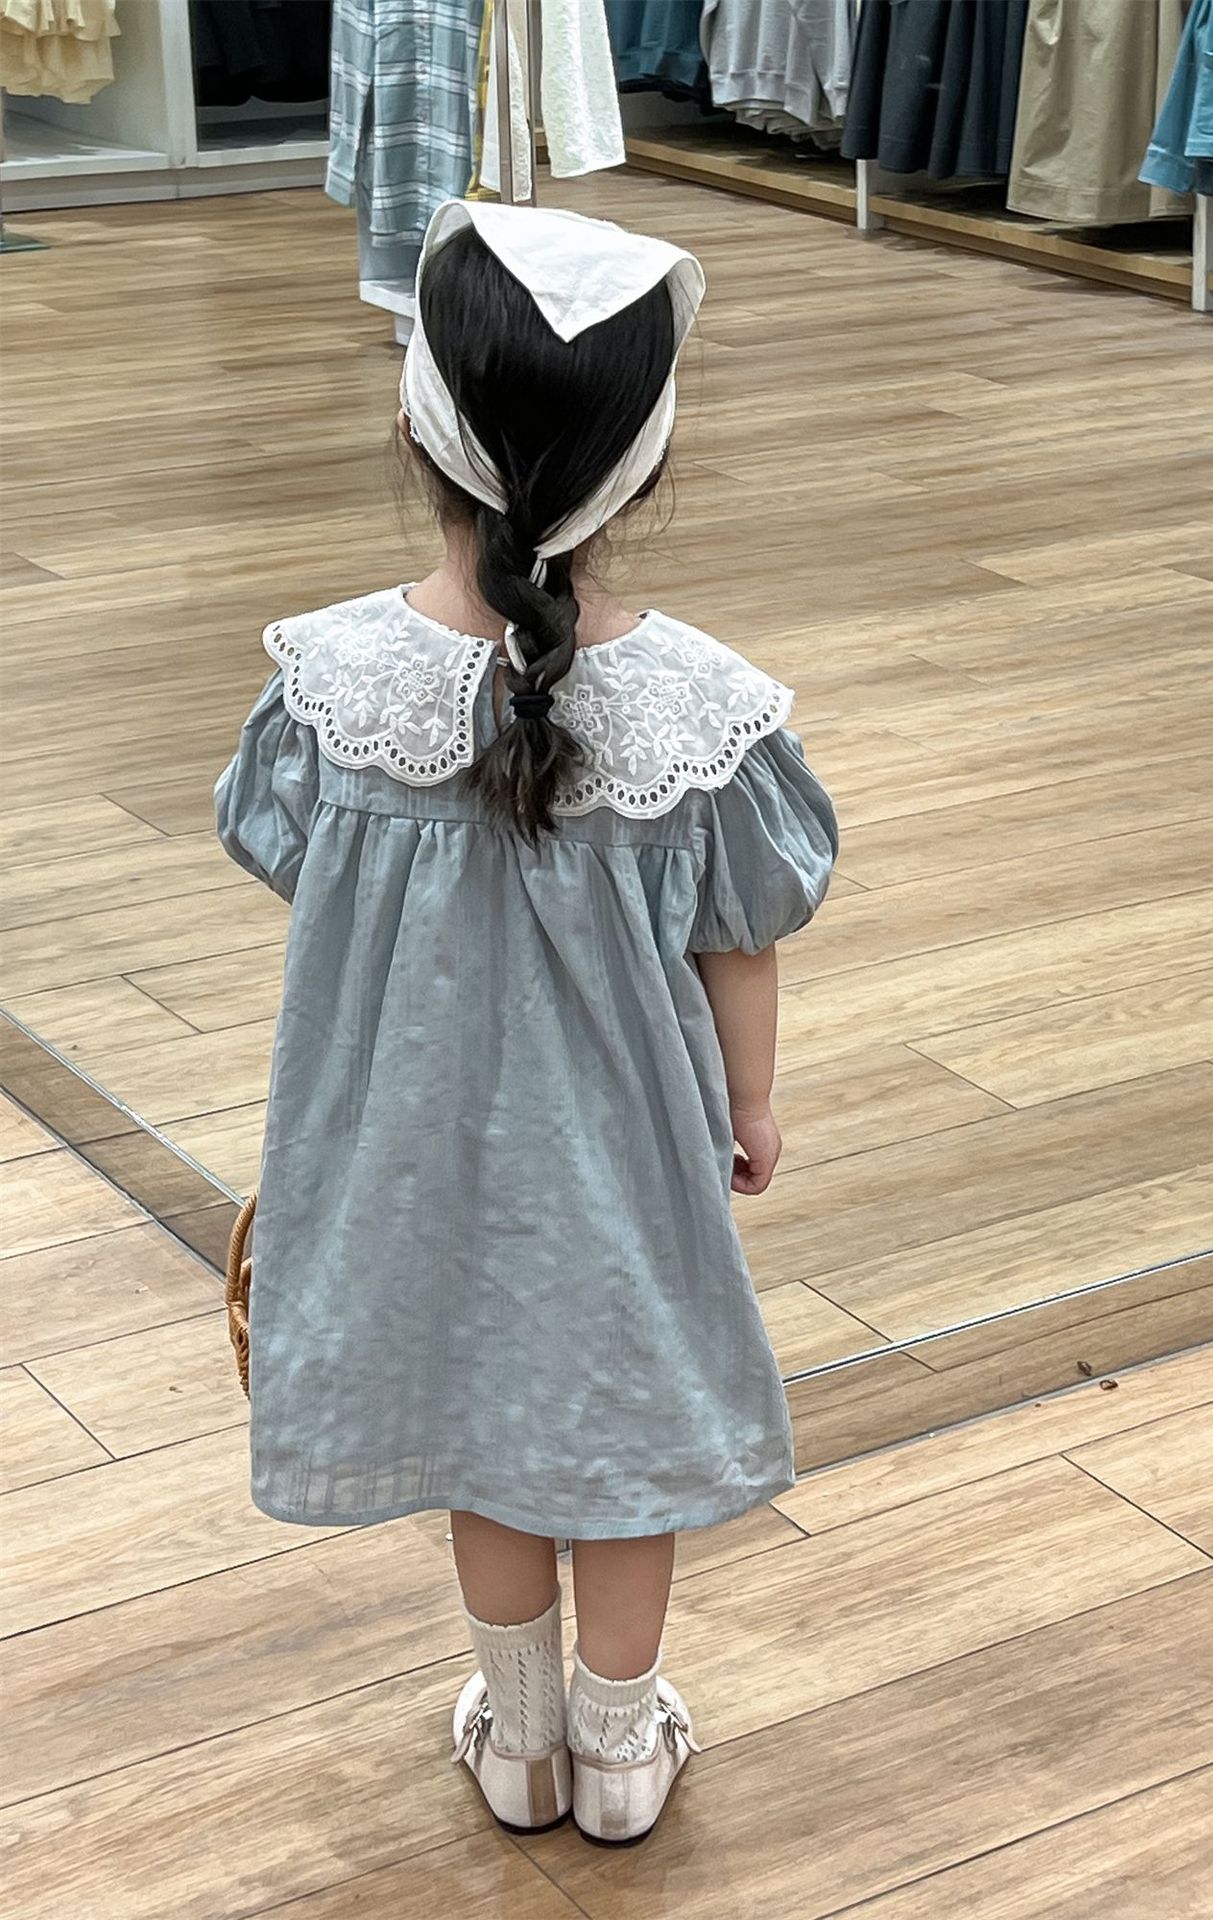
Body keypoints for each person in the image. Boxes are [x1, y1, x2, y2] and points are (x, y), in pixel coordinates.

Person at [215, 198, 838, 1847]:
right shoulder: (705, 709)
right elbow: (743, 935)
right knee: (616, 1416)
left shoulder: (329, 684)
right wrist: (752, 1103)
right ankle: (624, 1750)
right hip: (626, 1144)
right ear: (646, 463)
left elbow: (291, 864)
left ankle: (523, 1736)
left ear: (417, 432)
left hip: (402, 1142)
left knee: (477, 1419)